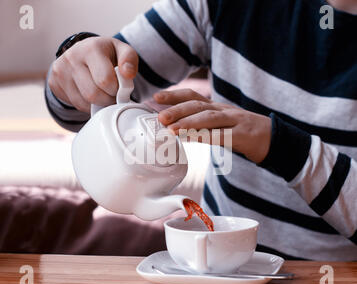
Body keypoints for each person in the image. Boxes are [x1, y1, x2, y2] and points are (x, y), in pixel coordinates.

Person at [45, 0, 357, 260]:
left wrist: (282, 147)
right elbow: (80, 109)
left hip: (334, 282)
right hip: (217, 269)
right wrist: (76, 69)